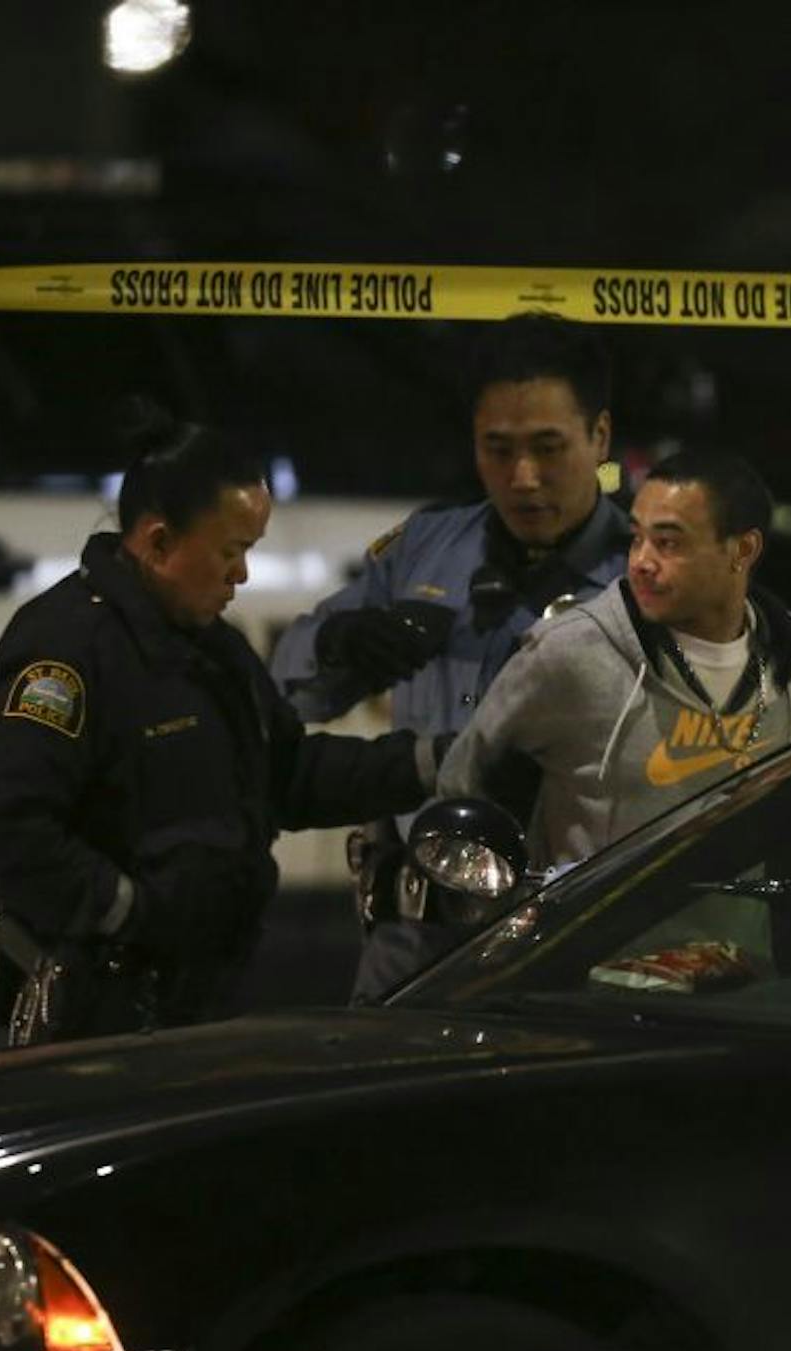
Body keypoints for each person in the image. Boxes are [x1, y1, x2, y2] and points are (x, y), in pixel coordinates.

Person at [0, 409, 443, 1045]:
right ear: (157, 544)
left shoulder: (213, 650)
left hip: (193, 1010)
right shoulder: (69, 649)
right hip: (90, 1026)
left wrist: (431, 764)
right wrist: (125, 908)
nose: (242, 574)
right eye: (231, 552)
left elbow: (285, 774)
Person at [269, 311, 632, 999]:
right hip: (415, 944)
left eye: (549, 447)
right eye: (498, 449)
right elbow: (292, 686)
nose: (524, 477)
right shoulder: (427, 547)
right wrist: (339, 644)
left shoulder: (645, 572)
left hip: (578, 940)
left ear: (600, 437)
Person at [435, 446, 791, 874]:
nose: (641, 562)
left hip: (740, 942)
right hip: (592, 941)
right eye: (637, 538)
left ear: (742, 550)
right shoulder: (569, 654)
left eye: (668, 543)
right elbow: (464, 785)